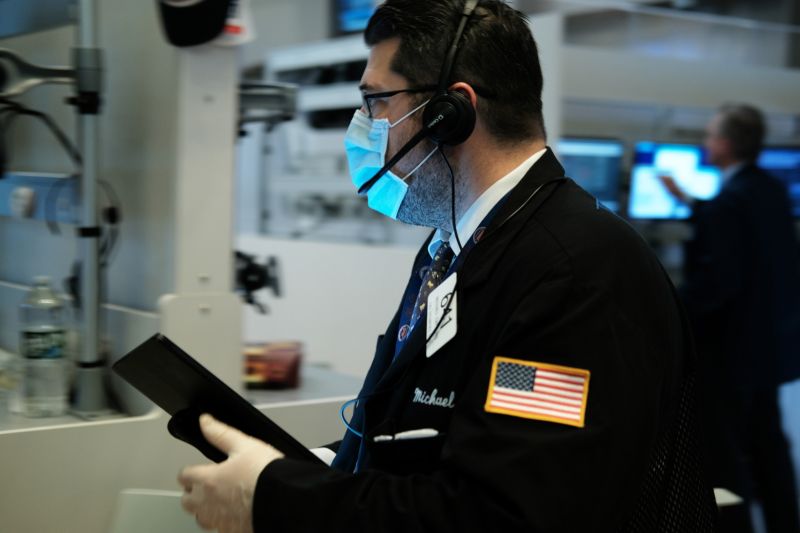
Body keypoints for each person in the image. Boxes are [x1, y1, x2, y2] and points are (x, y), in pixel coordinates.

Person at [178, 1, 717, 531]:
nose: (363, 127)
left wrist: (278, 497)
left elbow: (503, 515)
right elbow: (432, 439)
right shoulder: (460, 244)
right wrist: (308, 468)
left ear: (449, 114)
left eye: (376, 102)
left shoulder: (575, 275)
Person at [661, 104, 800, 533]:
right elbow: (741, 230)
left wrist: (671, 311)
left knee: (724, 451)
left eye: (710, 135)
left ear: (725, 144)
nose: (706, 143)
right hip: (768, 348)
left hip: (730, 353)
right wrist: (691, 203)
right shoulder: (769, 191)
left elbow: (716, 286)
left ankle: (734, 525)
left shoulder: (729, 203)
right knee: (768, 444)